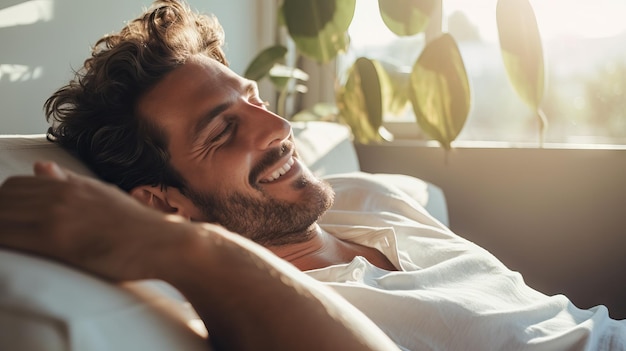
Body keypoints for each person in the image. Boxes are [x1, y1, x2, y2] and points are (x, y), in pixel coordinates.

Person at [0, 1, 624, 350]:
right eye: (221, 132)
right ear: (166, 204)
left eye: (253, 99)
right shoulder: (255, 308)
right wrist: (189, 250)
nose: (273, 127)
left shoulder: (365, 197)